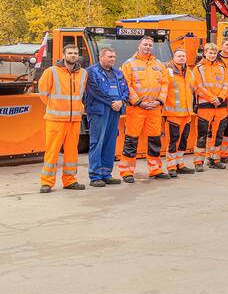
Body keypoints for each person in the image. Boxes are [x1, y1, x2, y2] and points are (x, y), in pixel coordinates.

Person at [37, 44, 88, 193]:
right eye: (70, 53)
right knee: (52, 151)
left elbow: (81, 94)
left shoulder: (83, 73)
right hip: (55, 120)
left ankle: (70, 181)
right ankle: (46, 183)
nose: (73, 55)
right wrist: (55, 108)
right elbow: (43, 93)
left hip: (75, 120)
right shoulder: (51, 71)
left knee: (72, 152)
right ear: (64, 55)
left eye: (75, 53)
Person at [119, 36, 170, 182]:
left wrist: (159, 100)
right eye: (145, 44)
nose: (148, 47)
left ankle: (155, 170)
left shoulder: (159, 64)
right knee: (131, 140)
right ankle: (126, 172)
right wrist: (139, 102)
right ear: (139, 45)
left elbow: (165, 83)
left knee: (155, 140)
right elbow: (126, 85)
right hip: (136, 109)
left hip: (155, 109)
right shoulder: (129, 64)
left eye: (150, 45)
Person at [84, 46, 128, 188]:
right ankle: (95, 176)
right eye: (109, 56)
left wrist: (122, 101)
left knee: (110, 142)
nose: (112, 59)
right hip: (99, 111)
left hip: (115, 111)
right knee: (97, 142)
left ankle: (106, 174)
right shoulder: (91, 72)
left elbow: (126, 89)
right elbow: (94, 91)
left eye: (114, 57)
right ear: (101, 57)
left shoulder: (118, 73)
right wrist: (111, 103)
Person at [192, 43, 228, 170]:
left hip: (220, 107)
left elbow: (226, 85)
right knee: (202, 136)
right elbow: (198, 86)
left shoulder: (222, 68)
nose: (213, 55)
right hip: (205, 107)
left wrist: (220, 98)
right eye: (210, 53)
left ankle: (214, 160)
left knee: (218, 135)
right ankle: (198, 162)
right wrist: (212, 98)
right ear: (205, 53)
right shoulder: (198, 68)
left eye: (214, 53)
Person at [161, 48, 195, 177]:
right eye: (179, 56)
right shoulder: (168, 72)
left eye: (183, 56)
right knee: (172, 141)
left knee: (183, 141)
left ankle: (180, 164)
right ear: (173, 58)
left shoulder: (189, 72)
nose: (181, 58)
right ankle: (171, 167)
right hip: (172, 114)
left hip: (186, 114)